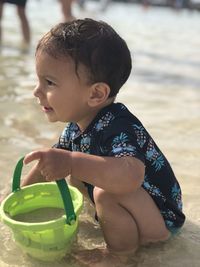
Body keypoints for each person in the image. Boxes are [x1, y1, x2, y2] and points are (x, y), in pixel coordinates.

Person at [21, 18, 185, 266]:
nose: (36, 91)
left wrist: (72, 162)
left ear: (96, 94)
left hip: (159, 222)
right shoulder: (76, 127)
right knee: (73, 170)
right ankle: (104, 226)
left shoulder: (119, 125)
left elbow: (131, 176)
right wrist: (17, 198)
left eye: (49, 82)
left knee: (104, 190)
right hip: (139, 213)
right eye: (39, 80)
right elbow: (48, 169)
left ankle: (120, 256)